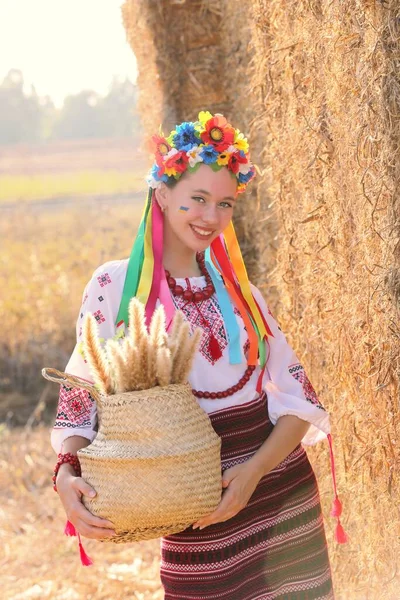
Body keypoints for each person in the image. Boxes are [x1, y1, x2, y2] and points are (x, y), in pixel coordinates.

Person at [51, 111, 347, 599]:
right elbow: (78, 399)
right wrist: (66, 476)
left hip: (279, 497)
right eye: (198, 199)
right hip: (191, 508)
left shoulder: (241, 294)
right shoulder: (115, 287)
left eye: (225, 203)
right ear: (162, 194)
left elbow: (298, 402)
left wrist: (251, 476)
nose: (211, 217)